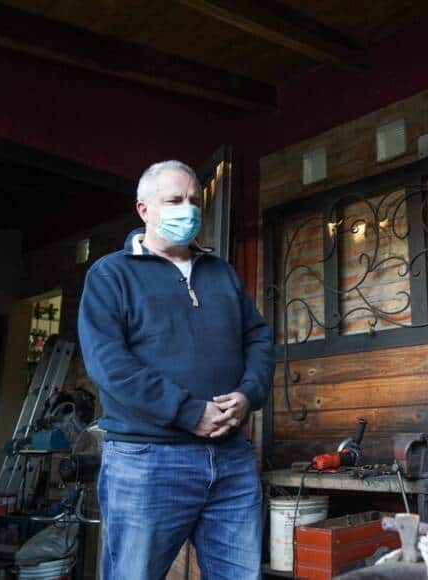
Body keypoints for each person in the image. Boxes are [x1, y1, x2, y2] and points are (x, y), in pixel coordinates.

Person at [78, 160, 273, 579]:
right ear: (144, 209)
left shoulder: (221, 273)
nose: (188, 209)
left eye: (194, 200)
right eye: (174, 200)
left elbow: (257, 338)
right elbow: (109, 365)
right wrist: (189, 412)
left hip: (231, 460)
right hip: (146, 460)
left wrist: (247, 394)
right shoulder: (110, 275)